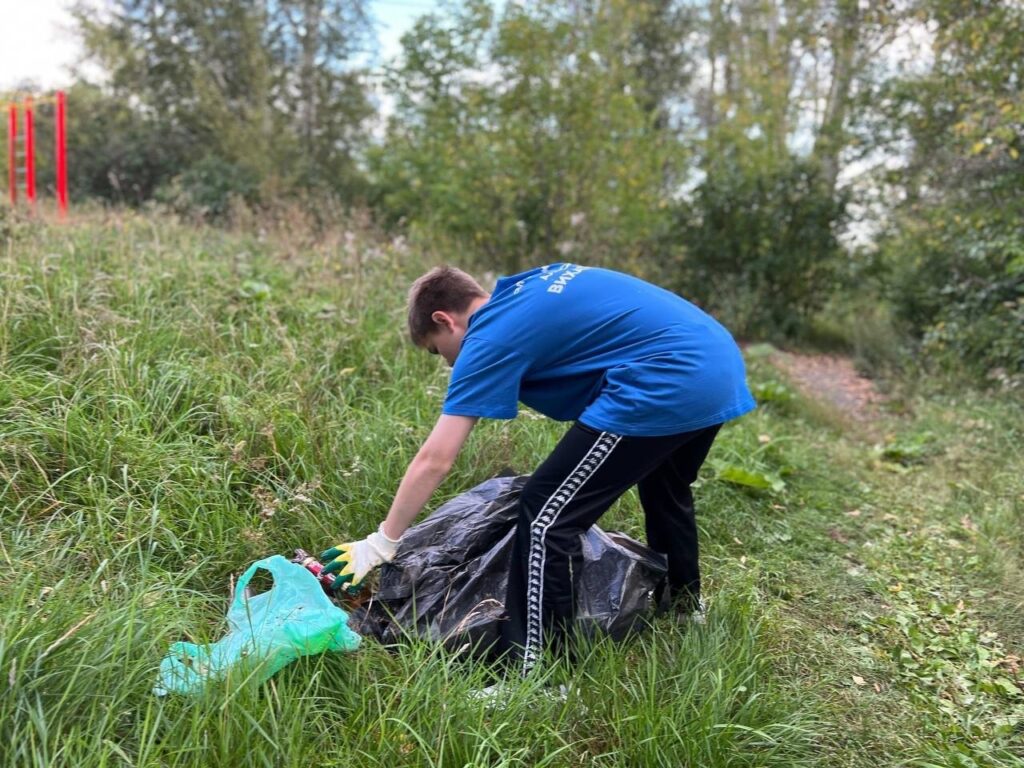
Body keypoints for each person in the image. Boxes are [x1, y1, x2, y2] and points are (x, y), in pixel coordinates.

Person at [321, 263, 755, 676]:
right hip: (715, 361)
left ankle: (538, 673)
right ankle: (683, 610)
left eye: (438, 350)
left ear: (445, 319)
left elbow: (436, 458)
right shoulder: (527, 288)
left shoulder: (488, 337)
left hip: (666, 378)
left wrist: (382, 542)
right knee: (666, 487)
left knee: (546, 518)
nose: (448, 364)